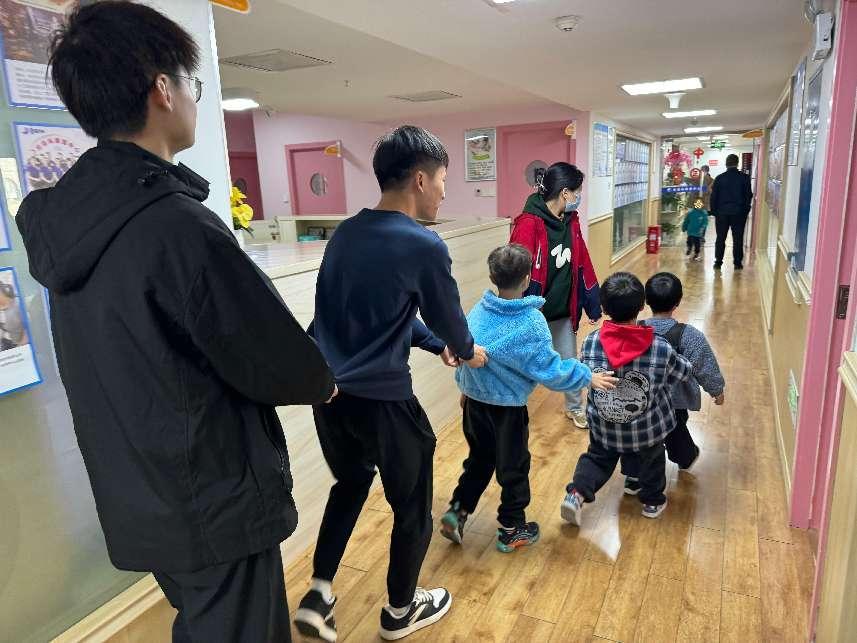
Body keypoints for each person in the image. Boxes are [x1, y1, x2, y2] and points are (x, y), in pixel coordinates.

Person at [16, 4, 336, 641]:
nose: (195, 97)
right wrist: (322, 382)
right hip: (212, 494)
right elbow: (275, 360)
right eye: (195, 83)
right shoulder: (177, 227)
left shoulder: (69, 222)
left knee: (205, 622)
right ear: (163, 88)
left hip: (138, 488)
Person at [295, 126, 488, 642]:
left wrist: (433, 344)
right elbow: (450, 321)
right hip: (384, 402)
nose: (444, 192)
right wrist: (466, 350)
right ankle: (401, 610)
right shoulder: (423, 244)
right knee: (413, 507)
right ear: (420, 179)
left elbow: (383, 313)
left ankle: (319, 592)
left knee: (350, 483)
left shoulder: (346, 233)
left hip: (330, 397)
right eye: (443, 180)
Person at [439, 244, 616, 553]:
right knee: (514, 468)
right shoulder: (531, 322)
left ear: (492, 276)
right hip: (507, 411)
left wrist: (465, 390)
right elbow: (551, 370)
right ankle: (511, 528)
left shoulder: (479, 311)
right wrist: (587, 376)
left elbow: (468, 354)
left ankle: (457, 511)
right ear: (527, 279)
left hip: (474, 406)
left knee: (479, 459)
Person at [560, 272, 692, 523]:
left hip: (604, 426)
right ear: (642, 306)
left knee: (597, 459)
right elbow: (682, 372)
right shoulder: (660, 347)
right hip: (646, 430)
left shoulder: (590, 342)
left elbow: (583, 370)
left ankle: (576, 494)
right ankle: (652, 501)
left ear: (604, 308)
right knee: (652, 458)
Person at [510, 162, 602, 430]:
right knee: (522, 363)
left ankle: (575, 408)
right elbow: (514, 270)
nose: (579, 197)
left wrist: (592, 303)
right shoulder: (528, 223)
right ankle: (511, 409)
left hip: (563, 308)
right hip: (533, 312)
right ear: (565, 193)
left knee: (569, 361)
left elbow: (582, 262)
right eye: (577, 192)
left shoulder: (571, 221)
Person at [620, 273, 726, 495]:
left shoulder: (633, 329)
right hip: (674, 401)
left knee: (636, 434)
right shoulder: (690, 336)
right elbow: (704, 365)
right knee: (676, 431)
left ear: (646, 301)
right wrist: (716, 390)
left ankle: (633, 476)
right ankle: (685, 458)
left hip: (638, 397)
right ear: (677, 302)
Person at [710, 154, 753, 270]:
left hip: (722, 213)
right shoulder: (744, 178)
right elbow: (748, 195)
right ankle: (737, 263)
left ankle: (718, 262)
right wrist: (746, 211)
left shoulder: (719, 178)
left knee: (720, 238)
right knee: (738, 238)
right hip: (739, 213)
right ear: (737, 163)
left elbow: (714, 197)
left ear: (726, 163)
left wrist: (714, 212)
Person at [0, 280, 26, 350]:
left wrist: (19, 348)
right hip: (6, 345)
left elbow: (28, 329)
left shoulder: (17, 304)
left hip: (21, 346)